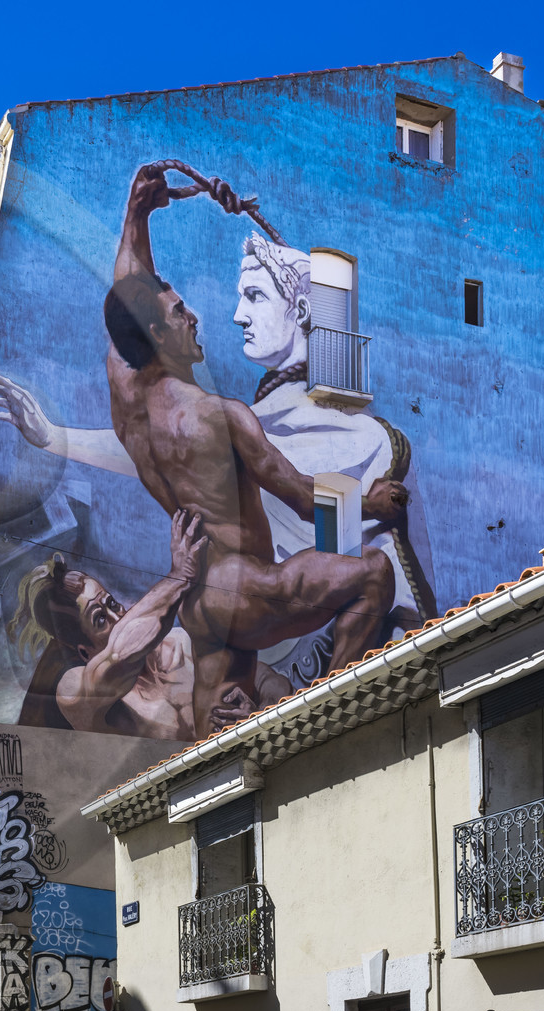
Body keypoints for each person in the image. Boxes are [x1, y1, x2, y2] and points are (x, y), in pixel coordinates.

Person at [94, 162, 404, 736]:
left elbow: (129, 287)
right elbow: (306, 497)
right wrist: (374, 502)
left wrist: (136, 214)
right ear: (159, 335)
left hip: (199, 601)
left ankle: (256, 744)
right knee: (373, 574)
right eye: (179, 313)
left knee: (220, 732)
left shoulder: (128, 397)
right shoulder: (219, 416)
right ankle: (321, 720)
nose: (195, 317)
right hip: (244, 586)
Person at [11, 511, 292, 738]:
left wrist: (260, 714)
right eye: (99, 619)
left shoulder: (181, 644)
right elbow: (120, 654)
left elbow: (272, 681)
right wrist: (179, 577)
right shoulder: (76, 692)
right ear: (85, 652)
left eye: (110, 603)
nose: (116, 616)